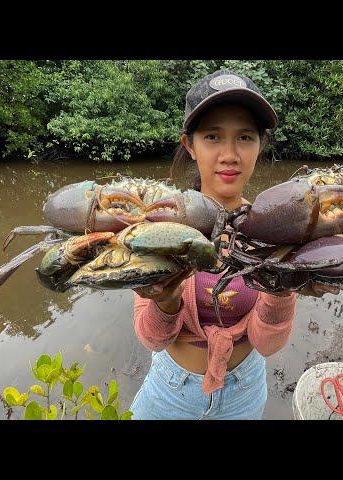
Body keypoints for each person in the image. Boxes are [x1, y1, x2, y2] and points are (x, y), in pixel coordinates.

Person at [129, 70, 302, 420]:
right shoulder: (161, 223)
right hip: (170, 391)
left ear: (260, 145)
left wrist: (282, 288)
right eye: (212, 136)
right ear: (189, 145)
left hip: (245, 390)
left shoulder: (275, 232)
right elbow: (152, 339)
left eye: (245, 137)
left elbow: (268, 343)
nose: (229, 154)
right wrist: (164, 300)